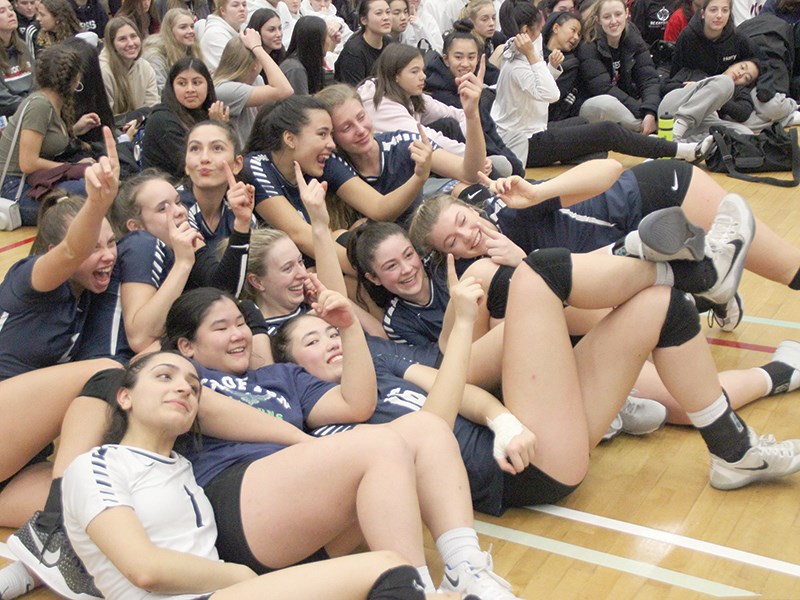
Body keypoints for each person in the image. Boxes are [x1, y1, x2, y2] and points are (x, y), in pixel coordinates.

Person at [159, 285, 526, 598]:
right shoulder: (178, 373)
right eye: (221, 328)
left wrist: (349, 329)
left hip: (303, 514)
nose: (238, 334)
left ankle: (466, 569)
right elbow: (204, 408)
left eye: (240, 323)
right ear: (186, 346)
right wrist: (300, 440)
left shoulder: (279, 376)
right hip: (238, 504)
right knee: (378, 444)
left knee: (426, 427)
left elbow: (356, 403)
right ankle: (414, 592)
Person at [408, 159, 800, 330]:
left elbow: (611, 170)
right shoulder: (486, 274)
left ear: (471, 210)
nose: (465, 236)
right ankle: (707, 288)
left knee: (789, 268)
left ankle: (709, 282)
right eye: (452, 241)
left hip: (657, 194)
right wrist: (524, 263)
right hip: (634, 249)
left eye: (461, 222)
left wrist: (540, 192)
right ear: (450, 255)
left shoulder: (515, 210)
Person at [0, 127, 119, 530]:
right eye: (95, 247)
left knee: (96, 510)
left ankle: (30, 563)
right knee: (103, 370)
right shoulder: (30, 282)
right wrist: (98, 204)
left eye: (111, 244)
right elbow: (72, 250)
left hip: (15, 465)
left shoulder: (85, 296)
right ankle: (49, 527)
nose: (106, 257)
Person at [491, 1, 706, 168]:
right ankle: (679, 150)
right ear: (527, 30)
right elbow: (551, 94)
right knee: (607, 131)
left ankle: (587, 154)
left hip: (533, 130)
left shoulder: (516, 48)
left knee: (586, 125)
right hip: (525, 144)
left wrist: (550, 68)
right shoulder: (520, 60)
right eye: (540, 28)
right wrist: (535, 58)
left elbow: (535, 91)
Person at [242, 94, 437, 266]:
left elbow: (379, 208)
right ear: (290, 139)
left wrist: (419, 177)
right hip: (287, 271)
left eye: (332, 134)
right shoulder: (256, 167)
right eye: (322, 134)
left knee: (356, 236)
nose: (331, 144)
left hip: (322, 260)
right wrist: (373, 270)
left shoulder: (324, 160)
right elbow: (300, 235)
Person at [359, 44, 515, 176]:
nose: (423, 77)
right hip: (393, 177)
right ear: (395, 76)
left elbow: (458, 114)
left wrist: (476, 152)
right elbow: (428, 138)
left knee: (510, 149)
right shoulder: (380, 105)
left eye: (422, 70)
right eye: (414, 72)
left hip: (420, 163)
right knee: (495, 168)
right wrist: (472, 158)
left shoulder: (411, 94)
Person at [0, 44, 101, 225]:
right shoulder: (40, 105)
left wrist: (76, 129)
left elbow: (45, 139)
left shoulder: (51, 101)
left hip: (32, 182)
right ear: (76, 78)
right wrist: (71, 167)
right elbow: (28, 163)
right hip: (14, 188)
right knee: (88, 190)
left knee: (97, 180)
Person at [424, 21, 525, 176]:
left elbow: (490, 130)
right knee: (505, 164)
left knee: (518, 138)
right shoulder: (439, 93)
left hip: (485, 145)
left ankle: (516, 180)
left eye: (471, 57)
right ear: (446, 59)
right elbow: (480, 139)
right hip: (468, 156)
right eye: (458, 57)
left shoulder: (471, 83)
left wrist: (517, 167)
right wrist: (514, 166)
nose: (465, 63)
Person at [577, 0, 662, 135]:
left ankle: (649, 127)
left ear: (627, 13)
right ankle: (651, 130)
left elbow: (648, 77)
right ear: (598, 19)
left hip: (628, 101)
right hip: (595, 105)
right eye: (606, 17)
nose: (613, 21)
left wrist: (650, 111)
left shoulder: (632, 35)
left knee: (665, 93)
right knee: (606, 104)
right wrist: (642, 112)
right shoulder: (588, 45)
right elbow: (603, 88)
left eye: (618, 14)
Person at [141, 57, 228, 177]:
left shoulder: (207, 113)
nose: (190, 89)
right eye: (182, 83)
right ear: (172, 87)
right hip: (169, 188)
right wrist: (217, 130)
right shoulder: (162, 120)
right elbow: (195, 167)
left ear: (208, 85)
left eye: (197, 83)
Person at [180, 120, 257, 247]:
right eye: (195, 148)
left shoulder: (238, 213)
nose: (204, 158)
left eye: (217, 148)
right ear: (186, 165)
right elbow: (206, 266)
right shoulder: (175, 209)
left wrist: (242, 223)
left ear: (237, 164)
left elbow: (249, 264)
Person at [212, 30, 293, 146]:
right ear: (255, 65)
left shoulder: (255, 80)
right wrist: (257, 48)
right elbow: (285, 90)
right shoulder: (223, 88)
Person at [99, 17, 159, 126]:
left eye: (133, 36)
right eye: (122, 39)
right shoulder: (103, 72)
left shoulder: (145, 67)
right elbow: (105, 119)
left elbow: (152, 107)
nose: (131, 43)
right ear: (111, 44)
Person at [142, 7, 205, 91]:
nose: (190, 31)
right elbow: (159, 91)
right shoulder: (155, 56)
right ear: (170, 31)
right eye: (183, 27)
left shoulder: (192, 49)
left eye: (192, 26)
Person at [334, 0, 392, 86]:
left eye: (388, 12)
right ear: (364, 20)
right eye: (379, 13)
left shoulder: (389, 43)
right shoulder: (353, 52)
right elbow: (354, 92)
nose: (386, 17)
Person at [541, 11, 583, 122]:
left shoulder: (571, 64)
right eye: (573, 30)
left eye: (579, 34)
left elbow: (552, 98)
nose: (576, 37)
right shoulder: (535, 51)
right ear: (556, 28)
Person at [280, 14, 332, 93]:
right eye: (327, 36)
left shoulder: (305, 62)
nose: (329, 40)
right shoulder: (295, 69)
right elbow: (301, 103)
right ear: (316, 42)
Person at [24, 0, 88, 58]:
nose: (38, 18)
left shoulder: (79, 36)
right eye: (38, 14)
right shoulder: (34, 31)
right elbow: (32, 64)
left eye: (42, 15)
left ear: (57, 18)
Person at [0, 0, 32, 118]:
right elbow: (2, 97)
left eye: (11, 9)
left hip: (31, 104)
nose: (10, 14)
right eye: (1, 11)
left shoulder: (22, 46)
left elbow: (35, 81)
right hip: (8, 111)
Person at [199, 0, 247, 71]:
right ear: (223, 10)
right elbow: (233, 70)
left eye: (244, 5)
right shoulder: (215, 34)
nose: (242, 9)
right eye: (235, 5)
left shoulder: (244, 29)